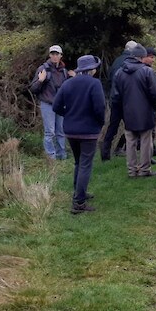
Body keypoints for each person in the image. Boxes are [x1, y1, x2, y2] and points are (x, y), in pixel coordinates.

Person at [52, 55, 105, 214]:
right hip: (88, 131)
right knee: (85, 164)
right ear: (92, 69)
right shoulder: (94, 84)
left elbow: (56, 106)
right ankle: (79, 203)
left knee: (78, 162)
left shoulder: (68, 83)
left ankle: (78, 193)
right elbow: (100, 108)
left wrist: (68, 114)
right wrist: (99, 123)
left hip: (70, 130)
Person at [112, 44, 156, 178]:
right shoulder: (147, 71)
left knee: (130, 142)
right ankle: (145, 169)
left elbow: (116, 95)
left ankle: (132, 170)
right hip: (145, 112)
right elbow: (155, 92)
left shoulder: (120, 72)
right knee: (146, 141)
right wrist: (154, 105)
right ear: (142, 57)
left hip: (127, 112)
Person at [29, 44, 74, 160]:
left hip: (60, 105)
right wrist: (40, 81)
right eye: (52, 54)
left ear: (61, 56)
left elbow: (67, 88)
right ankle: (51, 157)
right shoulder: (43, 69)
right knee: (50, 132)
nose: (54, 56)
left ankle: (61, 155)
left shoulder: (64, 71)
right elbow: (33, 88)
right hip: (47, 104)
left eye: (57, 54)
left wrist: (74, 78)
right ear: (49, 55)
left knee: (61, 131)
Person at [101, 40, 138, 161]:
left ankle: (105, 152)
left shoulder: (116, 61)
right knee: (133, 126)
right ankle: (123, 149)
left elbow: (110, 80)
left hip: (114, 99)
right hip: (125, 100)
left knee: (113, 126)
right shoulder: (128, 62)